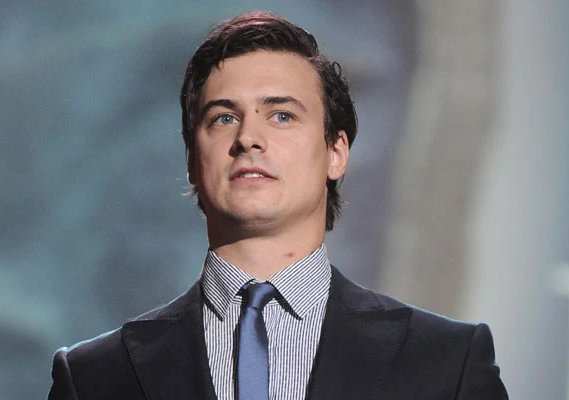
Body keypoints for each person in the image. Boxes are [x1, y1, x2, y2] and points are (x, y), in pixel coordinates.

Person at [47, 11, 508, 400]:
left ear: (336, 152)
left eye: (282, 115)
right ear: (192, 160)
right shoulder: (93, 377)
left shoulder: (449, 361)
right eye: (223, 118)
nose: (248, 137)